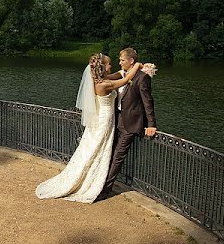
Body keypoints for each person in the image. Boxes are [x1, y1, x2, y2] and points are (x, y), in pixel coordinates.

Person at [34, 53, 145, 203]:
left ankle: (92, 175)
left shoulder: (99, 80)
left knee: (93, 148)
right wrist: (137, 66)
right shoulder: (103, 84)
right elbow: (125, 80)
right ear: (102, 67)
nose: (111, 65)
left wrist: (122, 71)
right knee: (97, 148)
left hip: (100, 119)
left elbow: (117, 75)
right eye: (109, 64)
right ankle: (90, 180)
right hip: (104, 121)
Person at [98, 47, 157, 201]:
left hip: (131, 123)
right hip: (116, 120)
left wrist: (151, 124)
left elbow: (148, 102)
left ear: (131, 61)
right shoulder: (121, 74)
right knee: (109, 153)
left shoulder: (142, 77)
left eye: (122, 60)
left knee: (118, 157)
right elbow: (102, 79)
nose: (120, 62)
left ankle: (105, 190)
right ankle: (99, 183)